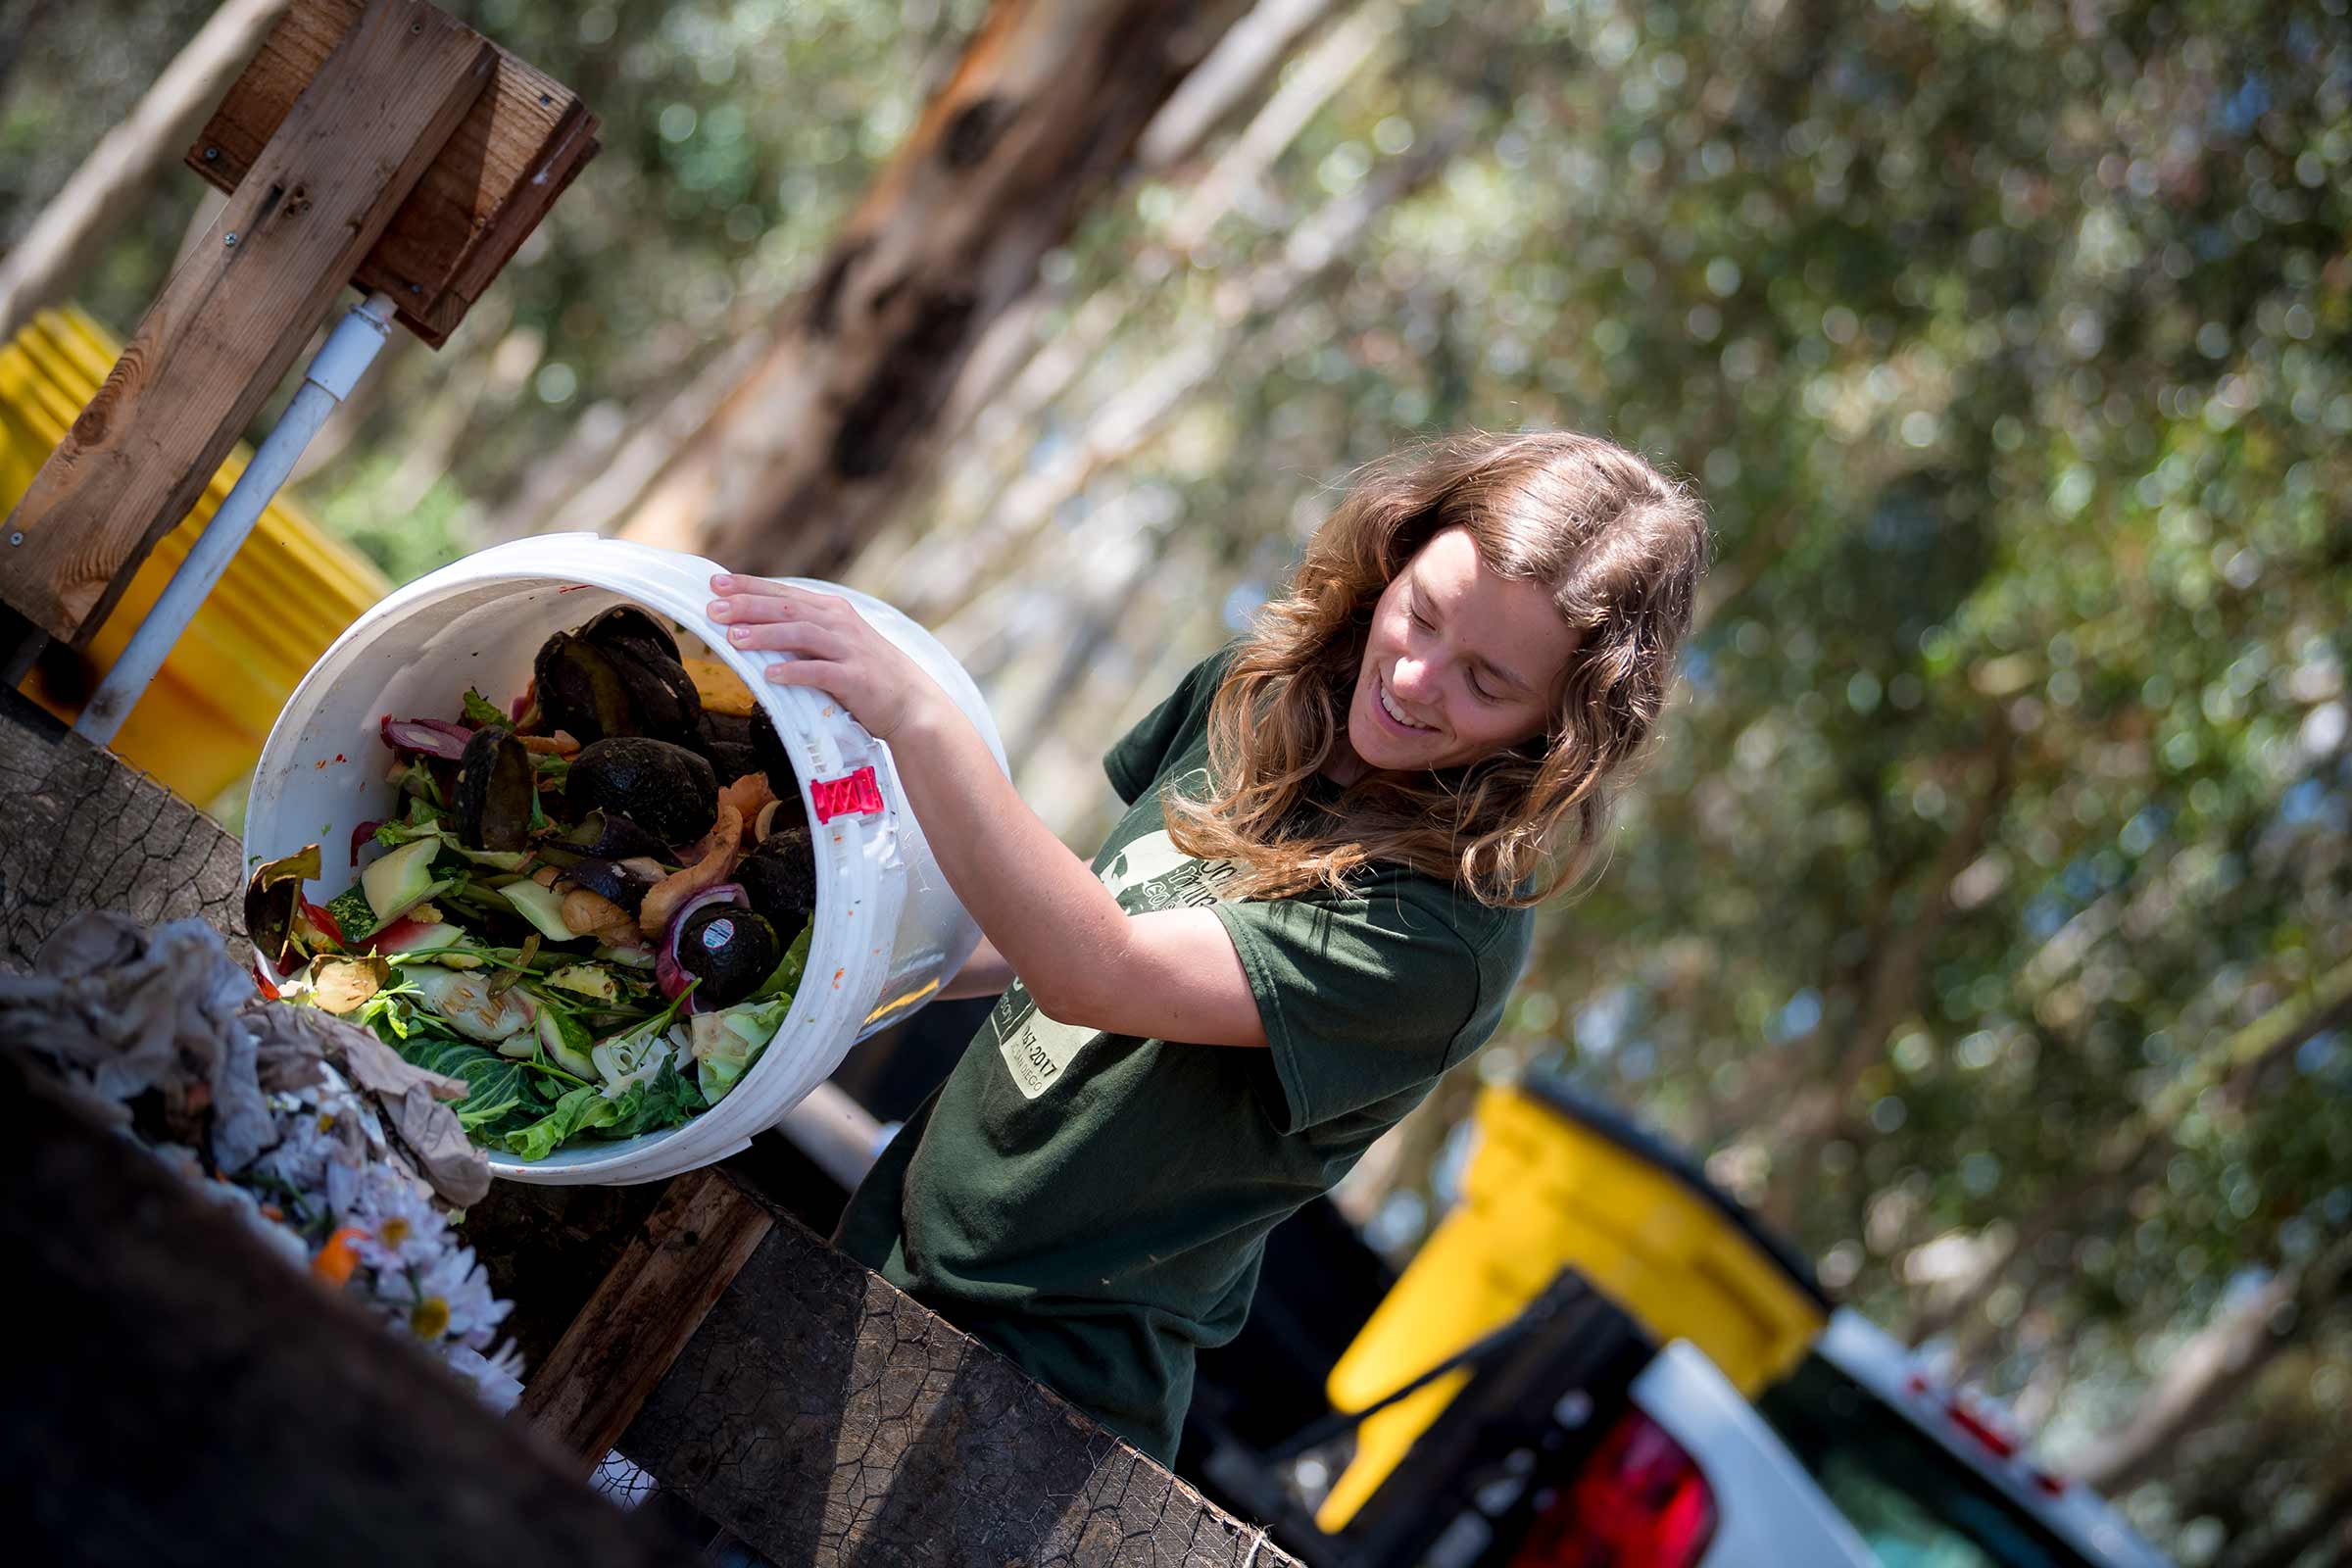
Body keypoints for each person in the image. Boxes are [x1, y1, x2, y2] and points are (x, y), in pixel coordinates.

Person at [705, 428, 1710, 1465]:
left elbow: (1096, 969)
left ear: (1558, 730)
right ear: (1395, 554)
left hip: (1032, 1396)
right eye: (1422, 612)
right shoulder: (1256, 689)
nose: (1413, 677)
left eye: (1486, 682)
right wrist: (814, 962)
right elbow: (1057, 922)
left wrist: (917, 713)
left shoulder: (1443, 936)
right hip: (877, 1239)